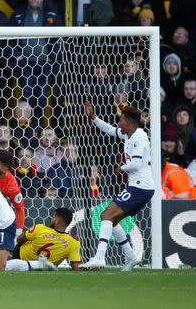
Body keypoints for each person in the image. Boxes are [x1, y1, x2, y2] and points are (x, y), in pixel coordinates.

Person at [80, 102, 150, 271]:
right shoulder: (129, 134)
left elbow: (136, 164)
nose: (119, 123)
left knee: (106, 215)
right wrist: (94, 118)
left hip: (140, 187)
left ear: (129, 123)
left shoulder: (139, 137)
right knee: (111, 220)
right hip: (138, 187)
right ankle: (130, 256)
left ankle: (99, 258)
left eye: (121, 121)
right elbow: (111, 130)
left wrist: (121, 168)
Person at [6, 208, 80, 271]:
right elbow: (76, 267)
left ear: (57, 221)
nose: (51, 220)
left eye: (53, 217)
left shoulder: (40, 228)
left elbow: (19, 239)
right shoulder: (73, 242)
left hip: (20, 257)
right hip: (45, 268)